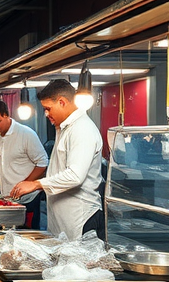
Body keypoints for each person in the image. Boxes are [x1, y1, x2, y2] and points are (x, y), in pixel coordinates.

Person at [10, 80, 104, 240]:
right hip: (62, 220)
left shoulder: (82, 129)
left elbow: (75, 176)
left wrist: (36, 184)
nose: (46, 114)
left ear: (62, 102)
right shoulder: (64, 127)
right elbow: (60, 171)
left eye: (48, 109)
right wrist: (38, 188)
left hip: (80, 219)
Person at [0, 99, 49, 227]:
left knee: (27, 239)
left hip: (28, 199)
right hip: (7, 199)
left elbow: (42, 162)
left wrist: (25, 184)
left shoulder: (26, 134)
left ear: (6, 115)